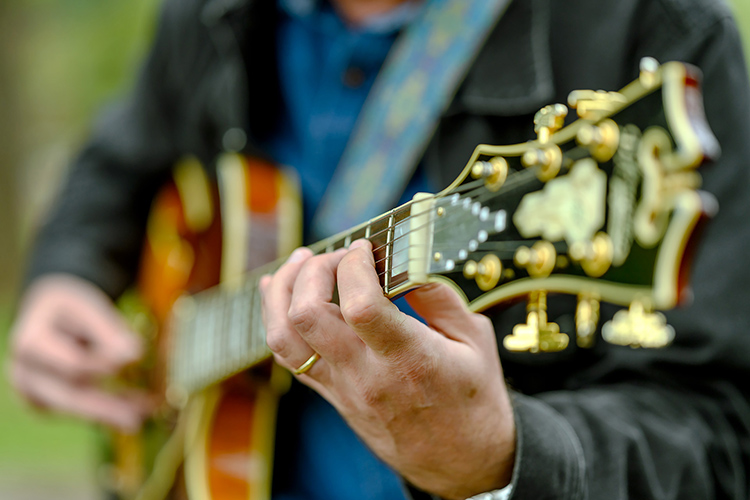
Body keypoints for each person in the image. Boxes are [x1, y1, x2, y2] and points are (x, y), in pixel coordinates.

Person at [9, 0, 750, 498]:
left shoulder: (653, 30)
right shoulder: (209, 15)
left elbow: (719, 430)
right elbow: (120, 155)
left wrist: (506, 455)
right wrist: (64, 276)